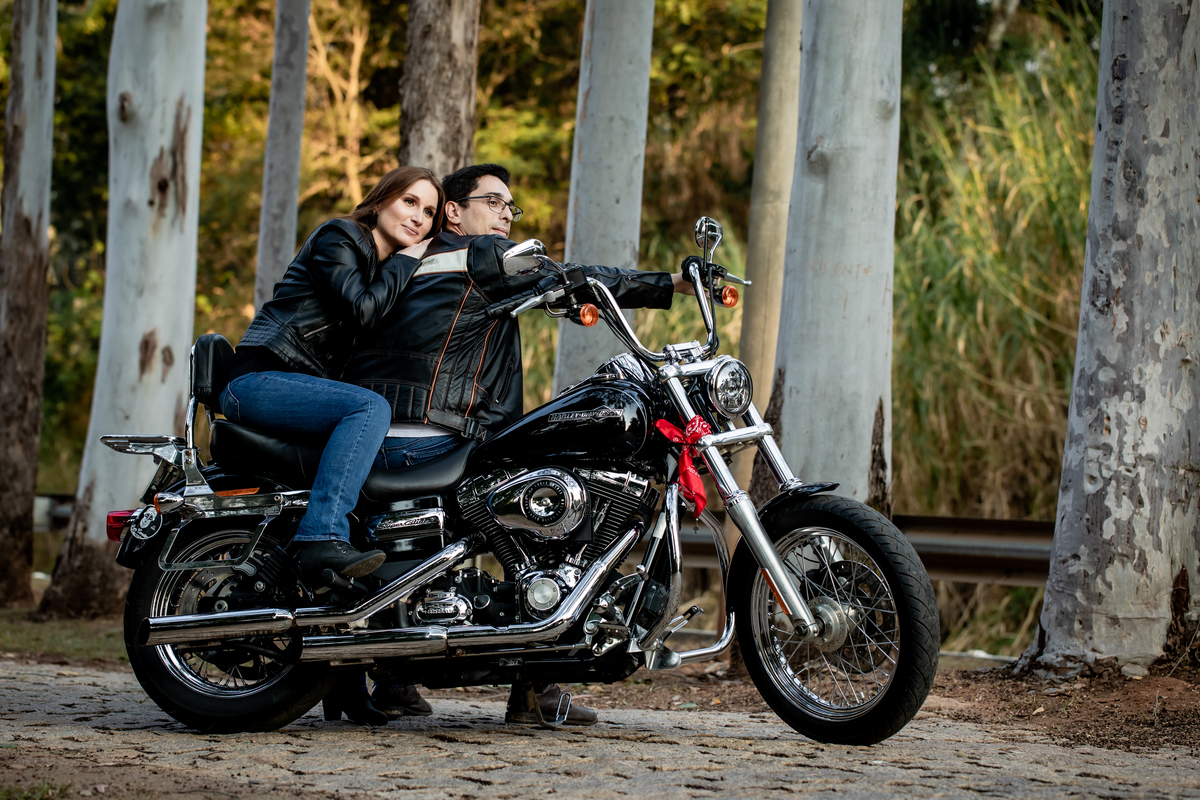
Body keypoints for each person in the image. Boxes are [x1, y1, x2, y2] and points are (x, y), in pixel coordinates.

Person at [340, 163, 694, 725]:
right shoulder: (479, 256)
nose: (506, 213)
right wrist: (672, 284)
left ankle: (397, 680)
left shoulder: (413, 261)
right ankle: (537, 687)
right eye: (493, 201)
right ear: (454, 212)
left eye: (511, 206)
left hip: (390, 425)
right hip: (431, 428)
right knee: (550, 525)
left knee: (436, 540)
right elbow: (576, 275)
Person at [221, 166, 444, 587]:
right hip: (257, 380)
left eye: (430, 212)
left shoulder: (382, 271)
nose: (419, 217)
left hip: (295, 390)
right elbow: (361, 310)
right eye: (410, 201)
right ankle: (322, 535)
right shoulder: (339, 237)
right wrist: (408, 259)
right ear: (381, 200)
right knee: (369, 408)